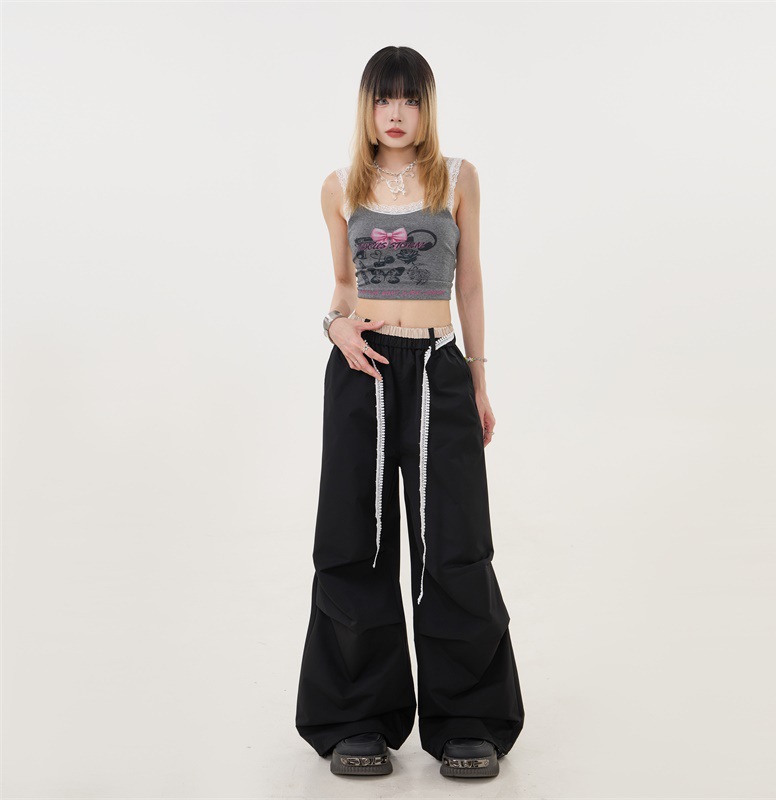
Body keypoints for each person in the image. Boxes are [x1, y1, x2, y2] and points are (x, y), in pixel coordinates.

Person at [294, 46, 525, 779]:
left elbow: (471, 285)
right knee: (354, 541)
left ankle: (468, 720)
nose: (396, 113)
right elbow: (342, 285)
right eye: (383, 99)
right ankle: (356, 718)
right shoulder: (339, 187)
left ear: (427, 106)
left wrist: (478, 380)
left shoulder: (457, 178)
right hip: (361, 370)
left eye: (411, 98)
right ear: (367, 107)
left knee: (454, 542)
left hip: (438, 367)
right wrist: (332, 326)